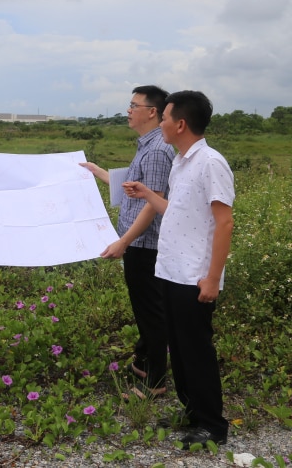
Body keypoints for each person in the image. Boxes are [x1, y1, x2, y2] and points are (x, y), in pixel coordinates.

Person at [124, 90, 234, 447]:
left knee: (197, 351)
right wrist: (146, 193)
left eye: (167, 118)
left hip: (195, 277)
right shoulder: (181, 162)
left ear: (180, 124)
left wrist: (213, 278)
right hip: (171, 271)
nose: (163, 124)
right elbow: (177, 210)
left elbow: (225, 222)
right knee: (182, 352)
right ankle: (191, 411)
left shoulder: (210, 162)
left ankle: (212, 426)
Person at [81, 85, 173, 397]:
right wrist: (96, 171)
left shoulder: (159, 150)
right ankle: (145, 360)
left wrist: (124, 242)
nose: (128, 111)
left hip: (145, 244)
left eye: (134, 105)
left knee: (151, 312)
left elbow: (153, 202)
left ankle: (156, 381)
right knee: (146, 307)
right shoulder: (147, 145)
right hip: (137, 242)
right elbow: (132, 188)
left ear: (152, 112)